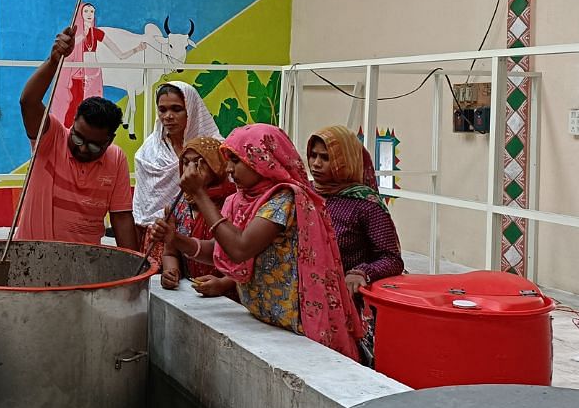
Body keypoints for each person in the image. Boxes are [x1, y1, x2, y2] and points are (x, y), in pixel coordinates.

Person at [151, 123, 362, 360]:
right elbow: (222, 249)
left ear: (262, 160)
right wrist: (176, 239)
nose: (229, 168)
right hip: (265, 320)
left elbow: (241, 248)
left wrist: (200, 195)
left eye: (236, 160)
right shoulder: (239, 200)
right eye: (227, 160)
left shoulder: (284, 199)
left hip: (298, 326)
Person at [14, 26, 139, 249]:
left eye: (93, 146)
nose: (82, 149)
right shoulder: (52, 138)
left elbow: (121, 217)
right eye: (78, 138)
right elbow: (28, 102)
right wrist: (53, 61)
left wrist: (135, 272)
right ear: (72, 124)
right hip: (31, 261)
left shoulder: (116, 159)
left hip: (85, 267)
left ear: (109, 141)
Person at [306, 125, 404, 295]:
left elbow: (392, 259)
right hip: (304, 291)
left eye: (325, 158)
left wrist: (361, 273)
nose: (316, 163)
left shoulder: (365, 204)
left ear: (345, 161)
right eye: (313, 155)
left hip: (346, 296)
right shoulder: (305, 193)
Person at [151, 137, 239, 297]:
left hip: (229, 296)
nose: (191, 170)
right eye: (185, 163)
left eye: (200, 163)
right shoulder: (177, 205)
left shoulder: (233, 202)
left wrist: (223, 284)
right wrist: (171, 272)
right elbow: (170, 251)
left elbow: (244, 257)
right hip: (192, 292)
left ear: (217, 166)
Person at [132, 82, 220, 230]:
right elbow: (145, 209)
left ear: (191, 109)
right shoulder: (147, 153)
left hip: (206, 232)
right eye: (162, 110)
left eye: (176, 109)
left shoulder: (213, 149)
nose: (168, 116)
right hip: (157, 234)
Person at [51, 2, 146, 124]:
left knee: (93, 112)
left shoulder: (97, 33)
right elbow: (68, 52)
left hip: (94, 77)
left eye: (92, 11)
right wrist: (81, 37)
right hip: (77, 76)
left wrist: (137, 49)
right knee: (73, 110)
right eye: (86, 11)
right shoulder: (74, 36)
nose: (89, 14)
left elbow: (120, 55)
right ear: (80, 14)